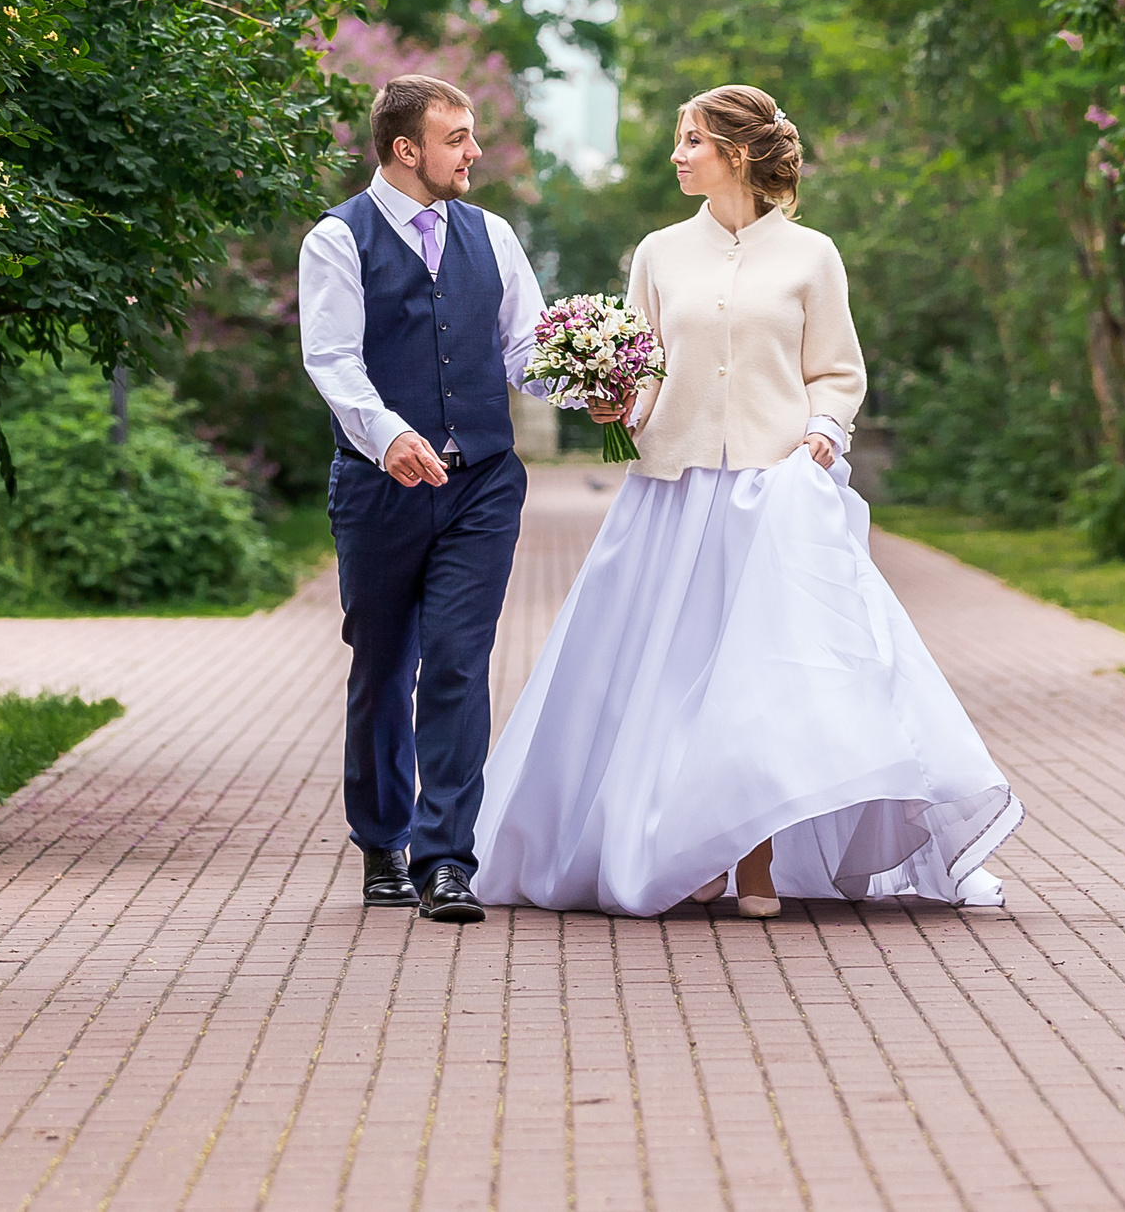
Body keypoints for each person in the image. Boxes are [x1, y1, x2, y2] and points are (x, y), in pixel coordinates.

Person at [473, 84, 1024, 917]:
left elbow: (837, 369)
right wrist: (619, 405)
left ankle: (753, 859)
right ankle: (686, 850)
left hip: (775, 496)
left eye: (691, 139)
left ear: (736, 153)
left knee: (761, 684)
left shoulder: (812, 256)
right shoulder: (659, 252)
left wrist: (824, 430)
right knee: (665, 680)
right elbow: (647, 365)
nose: (677, 154)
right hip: (672, 495)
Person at [298, 74, 553, 925]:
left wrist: (588, 379)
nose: (473, 151)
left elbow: (525, 350)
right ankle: (382, 842)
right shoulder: (338, 239)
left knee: (455, 663)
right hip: (379, 488)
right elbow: (333, 359)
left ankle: (446, 860)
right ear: (407, 149)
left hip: (482, 483)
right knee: (382, 663)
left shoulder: (493, 234)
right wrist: (387, 435)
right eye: (457, 137)